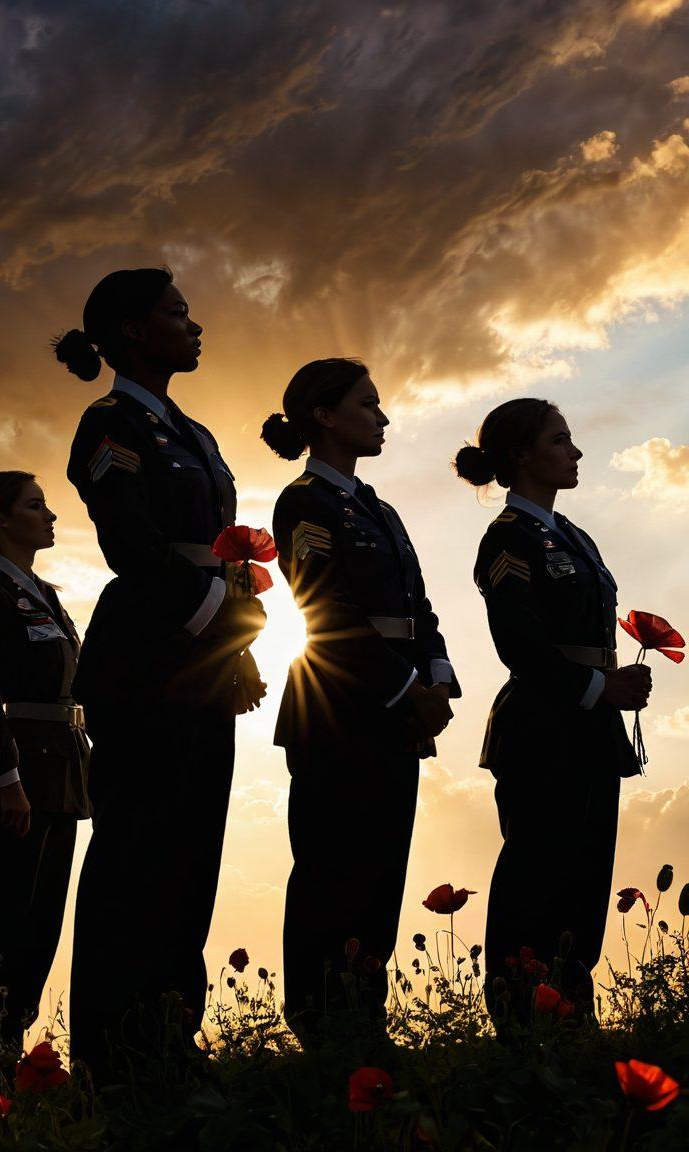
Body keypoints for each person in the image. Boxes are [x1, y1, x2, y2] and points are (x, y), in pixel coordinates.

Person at [55, 267, 266, 1073]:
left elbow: (227, 549)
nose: (196, 325)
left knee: (192, 854)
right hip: (145, 656)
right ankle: (114, 1052)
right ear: (136, 332)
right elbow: (130, 543)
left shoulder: (195, 434)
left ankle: (170, 1032)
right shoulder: (109, 424)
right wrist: (216, 619)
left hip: (203, 654)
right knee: (136, 851)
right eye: (179, 313)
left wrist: (234, 643)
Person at [262, 358, 459, 1043]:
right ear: (324, 414)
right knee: (332, 870)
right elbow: (328, 610)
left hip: (399, 707)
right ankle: (321, 1025)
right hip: (340, 709)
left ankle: (364, 1019)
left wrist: (436, 676)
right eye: (368, 403)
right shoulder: (304, 502)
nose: (382, 416)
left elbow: (420, 608)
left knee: (381, 872)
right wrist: (408, 688)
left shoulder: (381, 510)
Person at [453, 398, 651, 1020]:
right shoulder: (508, 537)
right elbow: (519, 640)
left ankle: (569, 1017)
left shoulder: (574, 537)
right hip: (543, 725)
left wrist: (613, 685)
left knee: (584, 884)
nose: (576, 451)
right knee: (537, 882)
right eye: (561, 440)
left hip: (590, 725)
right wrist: (598, 689)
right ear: (522, 455)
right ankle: (520, 1023)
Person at [0, 472, 90, 1059]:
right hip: (19, 772)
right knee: (5, 910)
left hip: (63, 770)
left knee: (43, 917)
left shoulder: (47, 595)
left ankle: (14, 1038)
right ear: (2, 521)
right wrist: (8, 780)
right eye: (36, 506)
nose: (50, 515)